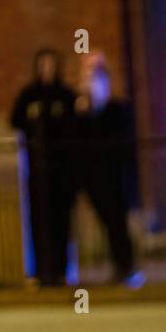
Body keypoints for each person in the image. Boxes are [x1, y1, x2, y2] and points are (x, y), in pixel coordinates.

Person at [63, 51, 142, 287]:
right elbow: (76, 139)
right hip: (93, 177)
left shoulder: (116, 109)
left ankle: (126, 266)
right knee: (107, 223)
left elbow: (122, 141)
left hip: (115, 176)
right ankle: (119, 265)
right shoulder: (80, 111)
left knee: (118, 224)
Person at [10, 48, 76, 286]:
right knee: (39, 221)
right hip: (37, 170)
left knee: (61, 222)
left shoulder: (65, 95)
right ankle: (41, 271)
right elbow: (15, 120)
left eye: (51, 64)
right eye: (43, 64)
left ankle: (61, 270)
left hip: (61, 170)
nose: (47, 69)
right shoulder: (29, 95)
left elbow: (75, 125)